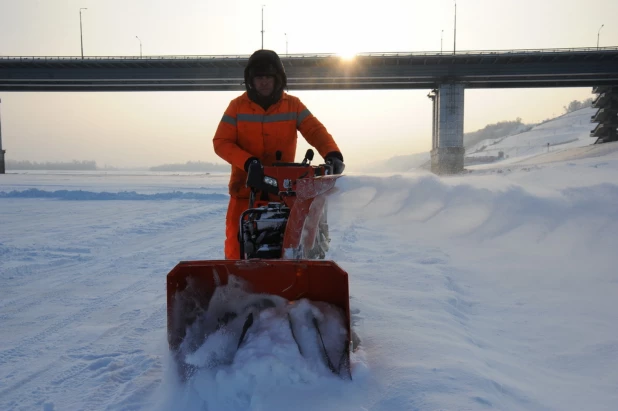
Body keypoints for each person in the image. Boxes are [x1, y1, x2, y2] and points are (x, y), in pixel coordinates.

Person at [213, 49, 345, 259]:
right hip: (245, 191)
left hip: (284, 193)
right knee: (237, 246)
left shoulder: (293, 105)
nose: (263, 82)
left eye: (268, 77)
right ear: (250, 81)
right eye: (259, 78)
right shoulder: (236, 107)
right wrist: (248, 163)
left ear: (278, 79)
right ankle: (236, 286)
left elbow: (315, 130)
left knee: (288, 247)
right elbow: (221, 142)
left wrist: (332, 153)